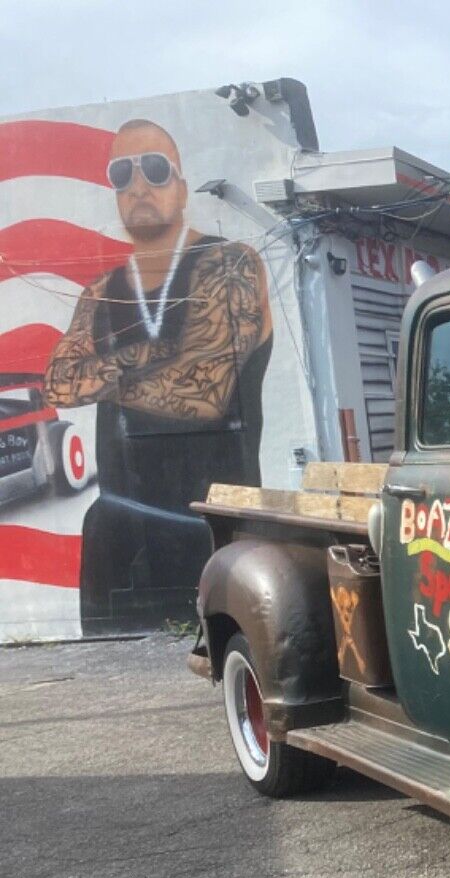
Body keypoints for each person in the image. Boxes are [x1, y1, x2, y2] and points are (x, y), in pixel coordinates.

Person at [45, 118, 273, 630]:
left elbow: (210, 389)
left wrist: (104, 374)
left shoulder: (230, 262)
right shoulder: (100, 292)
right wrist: (164, 352)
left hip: (218, 529)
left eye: (154, 169)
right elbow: (57, 381)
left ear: (183, 188)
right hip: (122, 543)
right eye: (121, 174)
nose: (138, 185)